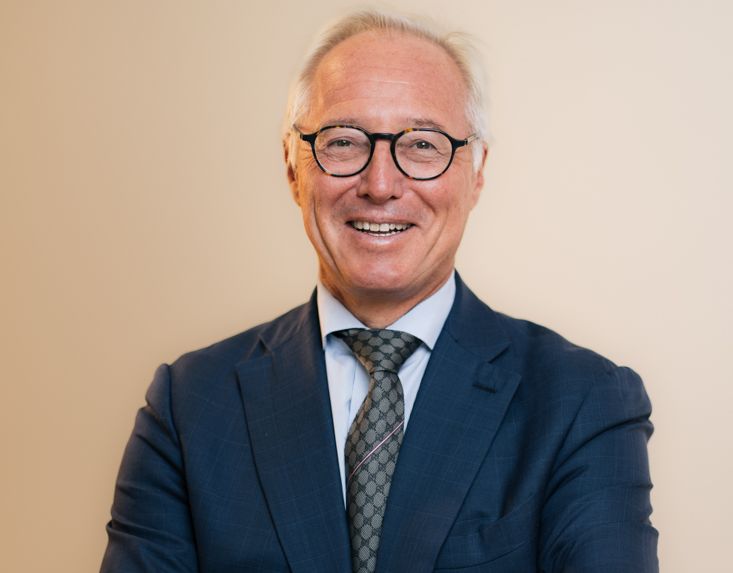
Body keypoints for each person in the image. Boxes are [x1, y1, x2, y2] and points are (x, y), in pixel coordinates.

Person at [101, 9, 658, 573]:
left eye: (423, 145)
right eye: (343, 142)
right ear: (293, 166)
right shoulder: (190, 406)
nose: (381, 185)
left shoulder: (581, 402)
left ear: (477, 171)